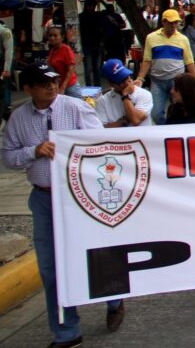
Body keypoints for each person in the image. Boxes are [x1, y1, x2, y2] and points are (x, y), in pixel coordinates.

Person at [1, 64, 126, 347]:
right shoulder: (18, 120)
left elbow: (99, 143)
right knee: (50, 267)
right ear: (28, 89)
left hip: (81, 196)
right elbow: (7, 158)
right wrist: (33, 151)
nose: (51, 87)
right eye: (44, 83)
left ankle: (114, 298)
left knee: (95, 254)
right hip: (44, 198)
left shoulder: (75, 108)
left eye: (55, 81)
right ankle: (67, 331)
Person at [137, 9, 195, 124]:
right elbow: (147, 60)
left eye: (176, 22)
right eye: (171, 22)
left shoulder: (183, 39)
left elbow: (189, 61)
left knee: (179, 111)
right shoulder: (151, 38)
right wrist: (140, 79)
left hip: (177, 81)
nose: (174, 25)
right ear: (163, 22)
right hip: (157, 81)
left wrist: (194, 81)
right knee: (156, 113)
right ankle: (164, 130)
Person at [96, 58, 153, 127]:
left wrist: (125, 96)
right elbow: (103, 128)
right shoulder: (102, 102)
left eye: (127, 77)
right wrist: (125, 119)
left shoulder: (144, 94)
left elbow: (136, 120)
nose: (127, 82)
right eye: (122, 81)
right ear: (111, 84)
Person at [46, 26, 82, 98]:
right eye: (50, 36)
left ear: (62, 37)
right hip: (58, 86)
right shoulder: (52, 51)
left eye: (55, 35)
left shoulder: (66, 49)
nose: (52, 38)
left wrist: (63, 87)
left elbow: (71, 69)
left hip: (70, 87)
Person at [78, 0, 103, 87]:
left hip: (94, 44)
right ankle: (90, 87)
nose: (92, 8)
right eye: (91, 6)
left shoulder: (96, 15)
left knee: (94, 68)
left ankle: (95, 86)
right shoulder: (82, 17)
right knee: (89, 68)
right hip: (88, 45)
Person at [0, 20, 12, 123]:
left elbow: (9, 50)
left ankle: (6, 111)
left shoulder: (4, 31)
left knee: (2, 92)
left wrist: (6, 69)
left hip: (1, 68)